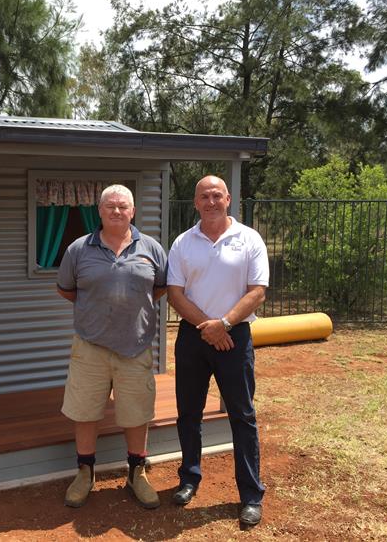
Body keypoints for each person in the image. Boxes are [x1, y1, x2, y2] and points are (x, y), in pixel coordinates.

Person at [56, 184, 167, 509]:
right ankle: (85, 472)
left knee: (136, 413)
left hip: (135, 347)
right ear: (100, 211)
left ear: (133, 211)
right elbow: (67, 290)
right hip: (90, 346)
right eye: (110, 207)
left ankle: (136, 473)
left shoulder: (152, 248)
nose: (116, 211)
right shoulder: (78, 249)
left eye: (123, 206)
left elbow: (158, 288)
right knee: (85, 411)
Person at [166, 175, 269, 527]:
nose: (210, 201)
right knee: (188, 413)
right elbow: (175, 294)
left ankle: (251, 495)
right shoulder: (182, 242)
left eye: (216, 195)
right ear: (195, 203)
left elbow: (257, 291)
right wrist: (208, 328)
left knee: (242, 416)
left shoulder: (249, 239)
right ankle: (189, 478)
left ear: (228, 199)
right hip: (194, 337)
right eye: (203, 197)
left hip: (234, 336)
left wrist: (223, 324)